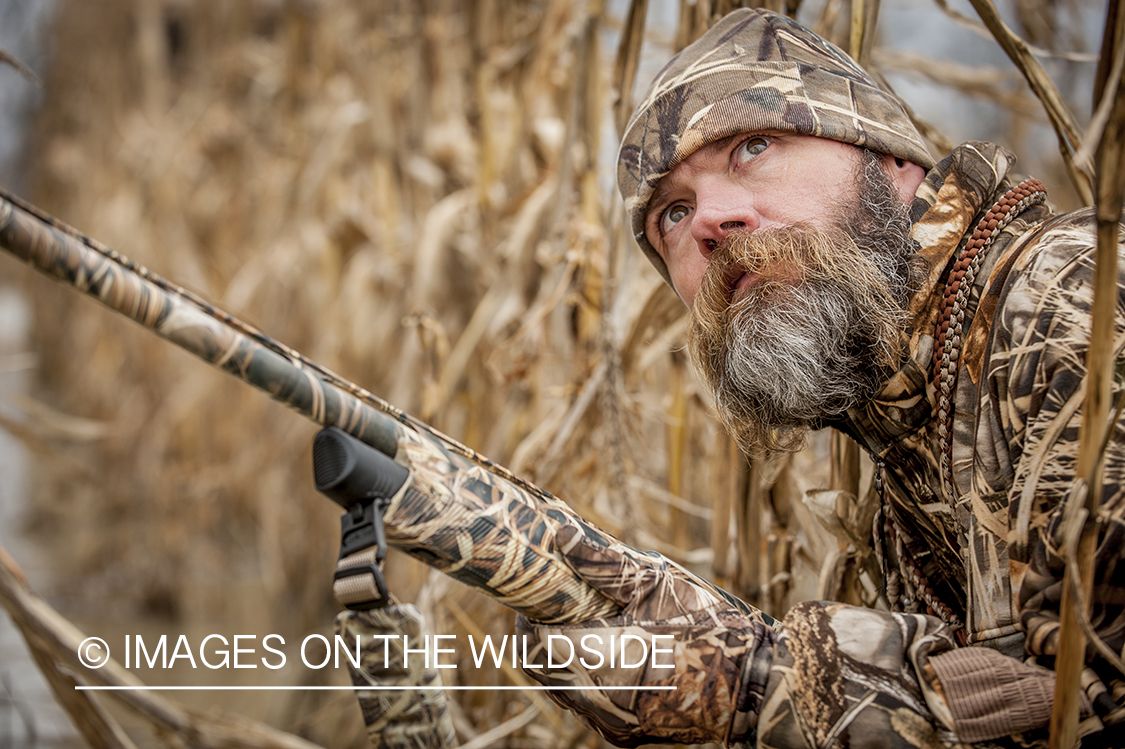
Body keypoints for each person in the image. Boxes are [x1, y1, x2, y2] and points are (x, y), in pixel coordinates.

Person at [515, 8, 1125, 748]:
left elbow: (1094, 698)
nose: (713, 219)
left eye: (754, 146)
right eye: (672, 213)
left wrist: (755, 684)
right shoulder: (903, 437)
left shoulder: (1073, 300)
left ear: (888, 159)